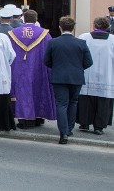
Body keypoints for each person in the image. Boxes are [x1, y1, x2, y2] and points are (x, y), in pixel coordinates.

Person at [44, 16, 93, 144]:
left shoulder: (53, 42)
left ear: (60, 27)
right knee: (73, 102)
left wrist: (56, 67)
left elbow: (46, 61)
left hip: (59, 77)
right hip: (76, 76)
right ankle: (70, 129)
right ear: (73, 28)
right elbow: (89, 62)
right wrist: (77, 68)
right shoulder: (81, 43)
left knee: (61, 104)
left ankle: (63, 133)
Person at [8, 9, 56, 129]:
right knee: (38, 89)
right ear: (36, 19)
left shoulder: (13, 33)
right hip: (38, 68)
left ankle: (24, 120)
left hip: (18, 68)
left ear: (23, 18)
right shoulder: (44, 34)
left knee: (22, 91)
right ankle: (38, 117)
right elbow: (50, 52)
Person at [77, 17, 114, 134]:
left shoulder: (84, 37)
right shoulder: (113, 40)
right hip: (106, 75)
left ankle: (84, 123)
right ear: (108, 27)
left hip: (88, 73)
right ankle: (99, 127)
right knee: (103, 102)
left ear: (94, 26)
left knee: (86, 100)